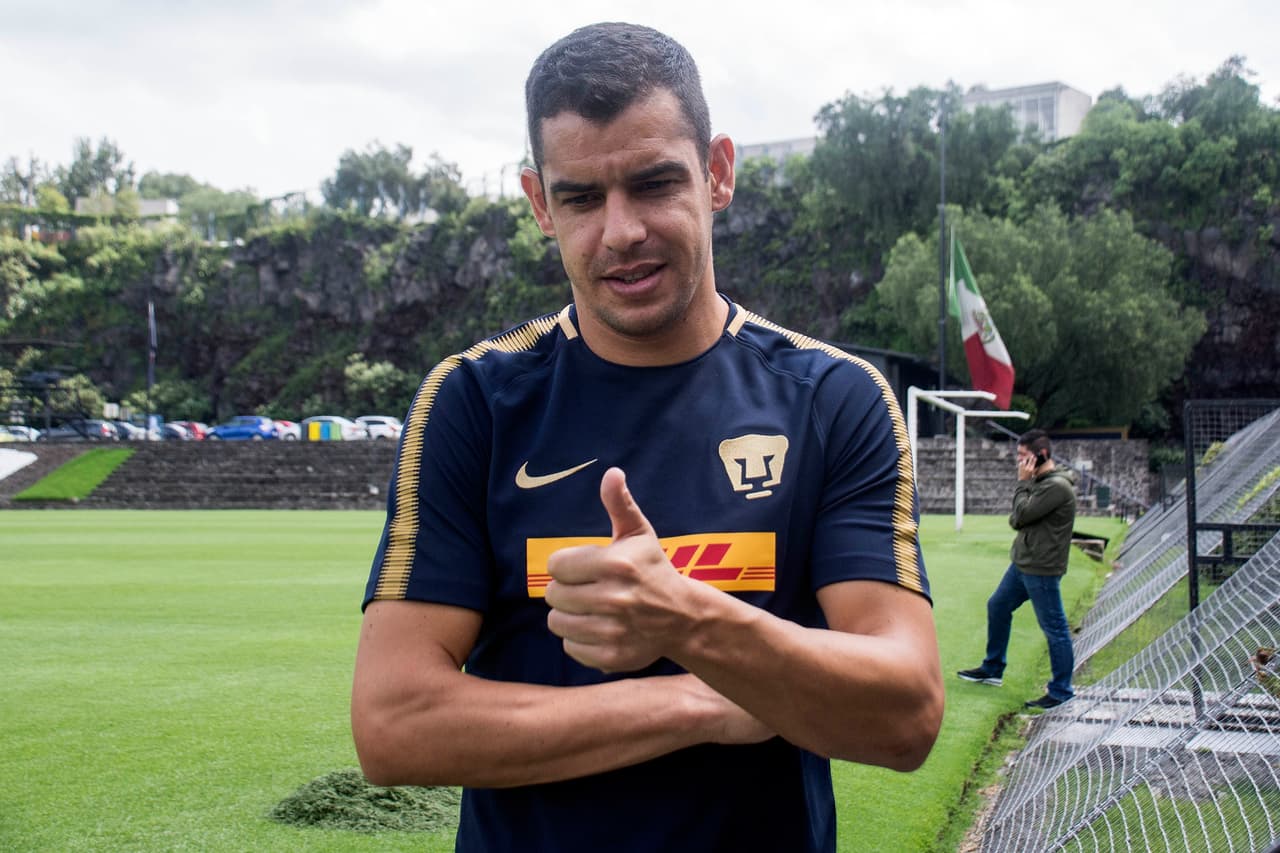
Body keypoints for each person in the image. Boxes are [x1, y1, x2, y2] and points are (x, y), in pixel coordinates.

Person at [351, 22, 943, 852]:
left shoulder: (833, 400)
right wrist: (697, 701)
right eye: (581, 198)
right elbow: (393, 724)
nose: (620, 231)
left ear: (718, 173)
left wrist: (686, 619)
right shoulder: (475, 401)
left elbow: (905, 714)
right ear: (538, 204)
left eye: (655, 182)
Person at [957, 429, 1078, 710]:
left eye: (1024, 457)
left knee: (1055, 628)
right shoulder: (1042, 481)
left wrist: (1022, 483)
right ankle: (993, 667)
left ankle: (1061, 691)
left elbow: (1019, 517)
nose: (1019, 463)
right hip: (1024, 563)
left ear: (1041, 456)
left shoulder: (1056, 487)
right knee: (997, 606)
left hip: (1042, 568)